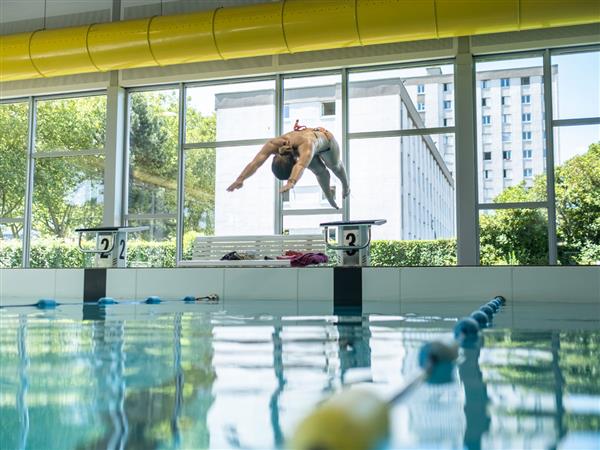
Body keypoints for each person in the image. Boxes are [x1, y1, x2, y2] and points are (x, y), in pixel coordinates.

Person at [226, 122, 350, 209]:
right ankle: (329, 197)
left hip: (326, 143)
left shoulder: (306, 145)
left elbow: (301, 165)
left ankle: (346, 185)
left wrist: (291, 182)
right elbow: (255, 163)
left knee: (334, 166)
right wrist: (240, 179)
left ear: (294, 161)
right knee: (320, 171)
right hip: (305, 150)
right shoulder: (273, 145)